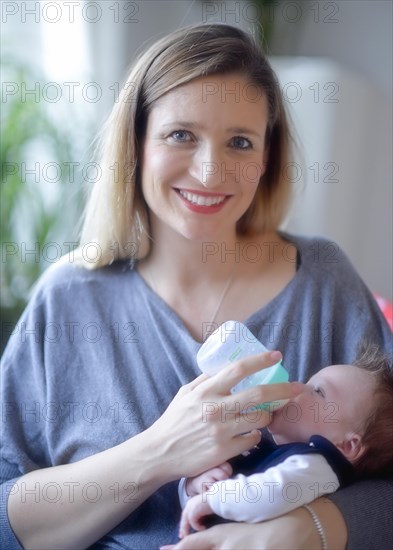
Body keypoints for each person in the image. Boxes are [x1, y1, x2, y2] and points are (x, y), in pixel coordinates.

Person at [1, 23, 392, 550]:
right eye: (181, 134)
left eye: (239, 142)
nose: (211, 172)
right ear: (136, 143)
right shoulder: (67, 300)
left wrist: (304, 530)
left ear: (266, 158)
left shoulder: (322, 281)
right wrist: (161, 451)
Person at [177, 349, 393, 539]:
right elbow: (193, 512)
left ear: (347, 446)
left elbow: (269, 494)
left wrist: (214, 498)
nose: (296, 385)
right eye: (308, 382)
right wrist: (194, 486)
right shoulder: (269, 451)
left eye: (318, 391)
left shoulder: (319, 467)